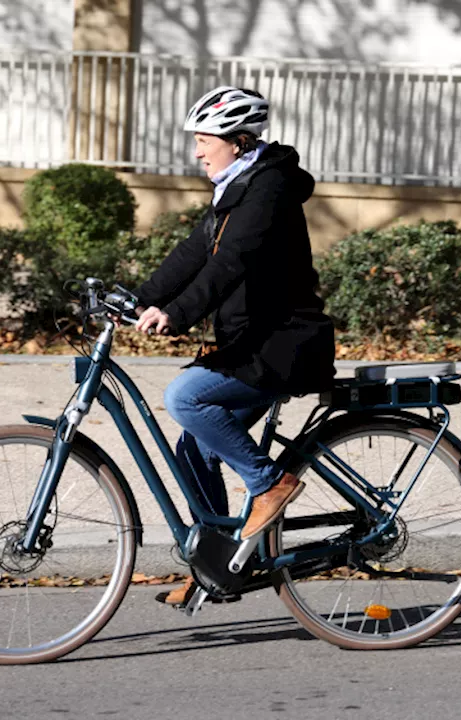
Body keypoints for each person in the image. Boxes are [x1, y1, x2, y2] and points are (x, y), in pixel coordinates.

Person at [133, 86, 336, 606]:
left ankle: (269, 483)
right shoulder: (236, 186)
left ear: (239, 142)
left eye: (205, 141)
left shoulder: (264, 189)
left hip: (282, 344)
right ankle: (218, 565)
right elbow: (194, 252)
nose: (198, 151)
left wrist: (176, 314)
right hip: (254, 342)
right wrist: (139, 298)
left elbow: (230, 264)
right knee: (194, 449)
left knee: (185, 398)